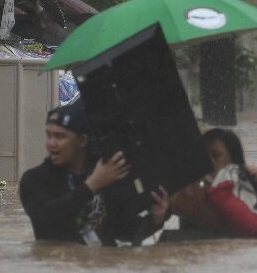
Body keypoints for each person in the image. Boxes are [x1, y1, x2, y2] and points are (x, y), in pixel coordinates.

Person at [18, 100, 172, 246]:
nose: (51, 143)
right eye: (49, 135)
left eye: (60, 136)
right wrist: (92, 185)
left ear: (82, 141)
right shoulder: (35, 179)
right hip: (60, 268)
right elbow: (46, 219)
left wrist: (154, 221)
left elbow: (123, 230)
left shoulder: (107, 175)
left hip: (102, 268)